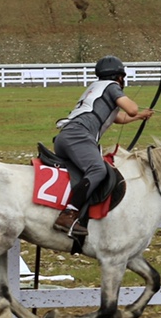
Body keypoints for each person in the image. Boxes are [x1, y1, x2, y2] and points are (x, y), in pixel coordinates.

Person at [52, 55, 153, 237]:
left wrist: (140, 116)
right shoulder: (112, 87)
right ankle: (68, 214)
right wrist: (136, 111)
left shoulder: (96, 88)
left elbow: (119, 117)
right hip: (78, 136)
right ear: (120, 77)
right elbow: (131, 109)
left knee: (87, 171)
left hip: (65, 137)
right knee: (98, 170)